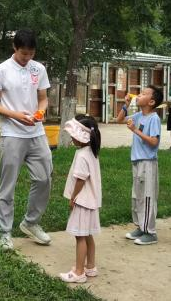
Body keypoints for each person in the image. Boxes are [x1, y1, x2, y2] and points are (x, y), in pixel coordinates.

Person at [0, 29, 52, 250]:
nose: (27, 58)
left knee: (44, 179)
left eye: (31, 53)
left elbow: (43, 98)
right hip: (12, 133)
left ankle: (31, 222)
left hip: (36, 132)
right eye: (24, 53)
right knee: (8, 185)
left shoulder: (38, 68)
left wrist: (40, 112)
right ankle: (5, 232)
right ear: (14, 48)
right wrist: (16, 116)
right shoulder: (1, 70)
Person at [116, 85, 163, 245]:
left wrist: (135, 130)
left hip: (148, 163)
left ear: (151, 102)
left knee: (147, 197)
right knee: (137, 196)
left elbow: (154, 142)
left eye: (143, 94)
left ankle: (150, 232)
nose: (139, 95)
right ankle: (141, 227)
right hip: (137, 161)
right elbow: (119, 119)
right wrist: (126, 105)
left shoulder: (154, 119)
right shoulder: (138, 115)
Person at [59, 115, 102, 284]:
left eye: (73, 135)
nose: (72, 138)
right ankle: (90, 266)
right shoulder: (92, 152)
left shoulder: (82, 155)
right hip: (91, 201)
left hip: (82, 201)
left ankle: (79, 272)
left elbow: (80, 179)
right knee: (88, 234)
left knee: (80, 236)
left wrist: (73, 197)